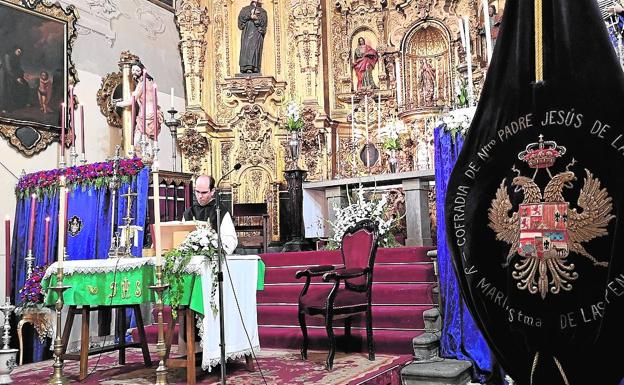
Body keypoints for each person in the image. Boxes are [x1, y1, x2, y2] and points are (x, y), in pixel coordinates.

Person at [183, 175, 238, 254]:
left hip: (214, 258)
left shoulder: (220, 211)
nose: (200, 196)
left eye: (204, 192)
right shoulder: (188, 213)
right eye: (197, 192)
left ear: (212, 191)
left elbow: (230, 239)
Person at [116, 61, 163, 150]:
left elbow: (131, 101)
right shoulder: (151, 83)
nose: (133, 72)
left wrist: (118, 103)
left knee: (139, 142)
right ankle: (148, 160)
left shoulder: (142, 84)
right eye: (132, 70)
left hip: (145, 115)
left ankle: (143, 160)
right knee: (148, 142)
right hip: (152, 113)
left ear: (141, 71)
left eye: (136, 70)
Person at [238, 0, 268, 74]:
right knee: (246, 48)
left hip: (257, 33)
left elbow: (263, 23)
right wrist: (250, 16)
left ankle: (254, 67)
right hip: (247, 32)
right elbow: (240, 21)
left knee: (255, 49)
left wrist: (256, 19)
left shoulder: (262, 11)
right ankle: (245, 67)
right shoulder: (245, 9)